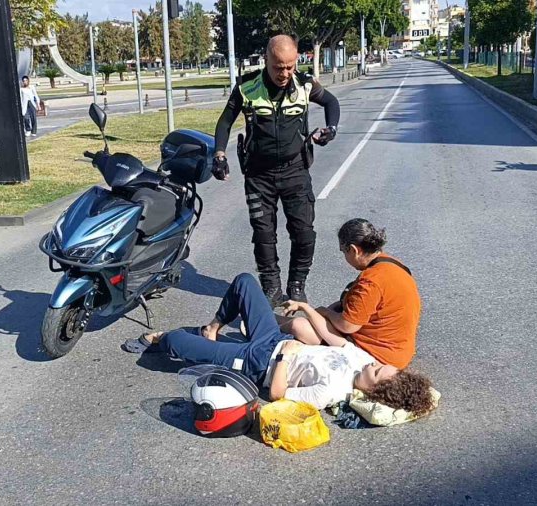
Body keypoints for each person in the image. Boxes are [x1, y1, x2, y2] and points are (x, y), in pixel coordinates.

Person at [122, 273, 432, 413]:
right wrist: (308, 310)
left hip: (258, 363)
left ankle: (161, 340)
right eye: (380, 365)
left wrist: (284, 359)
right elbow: (334, 339)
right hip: (274, 338)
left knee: (176, 341)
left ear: (372, 390)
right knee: (245, 282)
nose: (374, 364)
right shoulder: (360, 361)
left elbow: (278, 395)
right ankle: (213, 327)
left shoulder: (331, 392)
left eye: (377, 372)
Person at [212, 35, 341, 307]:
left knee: (304, 232)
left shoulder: (304, 85)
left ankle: (297, 285)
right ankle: (271, 287)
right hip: (259, 175)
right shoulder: (248, 87)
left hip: (295, 171)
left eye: (290, 66)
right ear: (266, 60)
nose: (284, 73)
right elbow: (225, 122)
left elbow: (332, 103)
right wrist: (219, 154)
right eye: (278, 67)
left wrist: (331, 129)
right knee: (263, 234)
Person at [281, 218, 422, 369]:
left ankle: (266, 324)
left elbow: (347, 326)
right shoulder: (393, 264)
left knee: (300, 325)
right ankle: (270, 319)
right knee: (314, 319)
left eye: (343, 252)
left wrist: (324, 312)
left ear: (354, 250)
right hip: (400, 350)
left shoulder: (371, 282)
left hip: (378, 358)